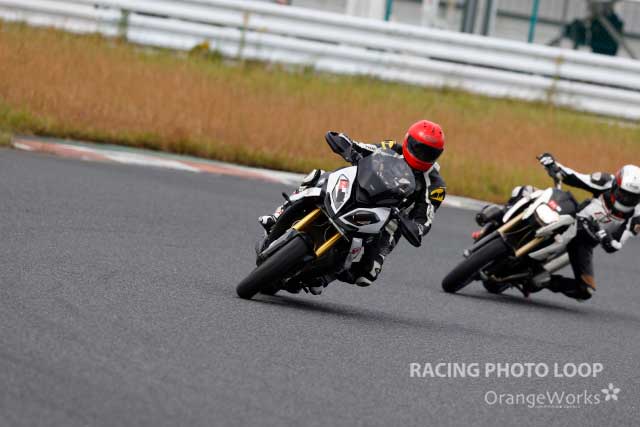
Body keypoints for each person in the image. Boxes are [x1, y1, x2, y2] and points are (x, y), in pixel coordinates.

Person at [258, 120, 447, 294]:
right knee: (318, 176)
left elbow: (425, 218)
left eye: (430, 153)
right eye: (419, 148)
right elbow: (364, 148)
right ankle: (279, 215)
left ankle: (323, 277)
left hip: (391, 219)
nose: (422, 155)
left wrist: (415, 227)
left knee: (367, 273)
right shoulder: (391, 148)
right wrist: (347, 145)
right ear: (408, 141)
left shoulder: (435, 186)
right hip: (361, 190)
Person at [475, 153, 640, 301]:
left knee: (585, 290)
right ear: (615, 185)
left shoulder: (637, 217)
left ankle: (542, 280)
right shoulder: (605, 181)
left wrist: (604, 236)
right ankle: (496, 218)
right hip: (572, 216)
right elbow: (575, 177)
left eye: (632, 197)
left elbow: (616, 244)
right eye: (623, 193)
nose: (626, 199)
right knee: (526, 191)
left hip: (585, 240)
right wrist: (554, 165)